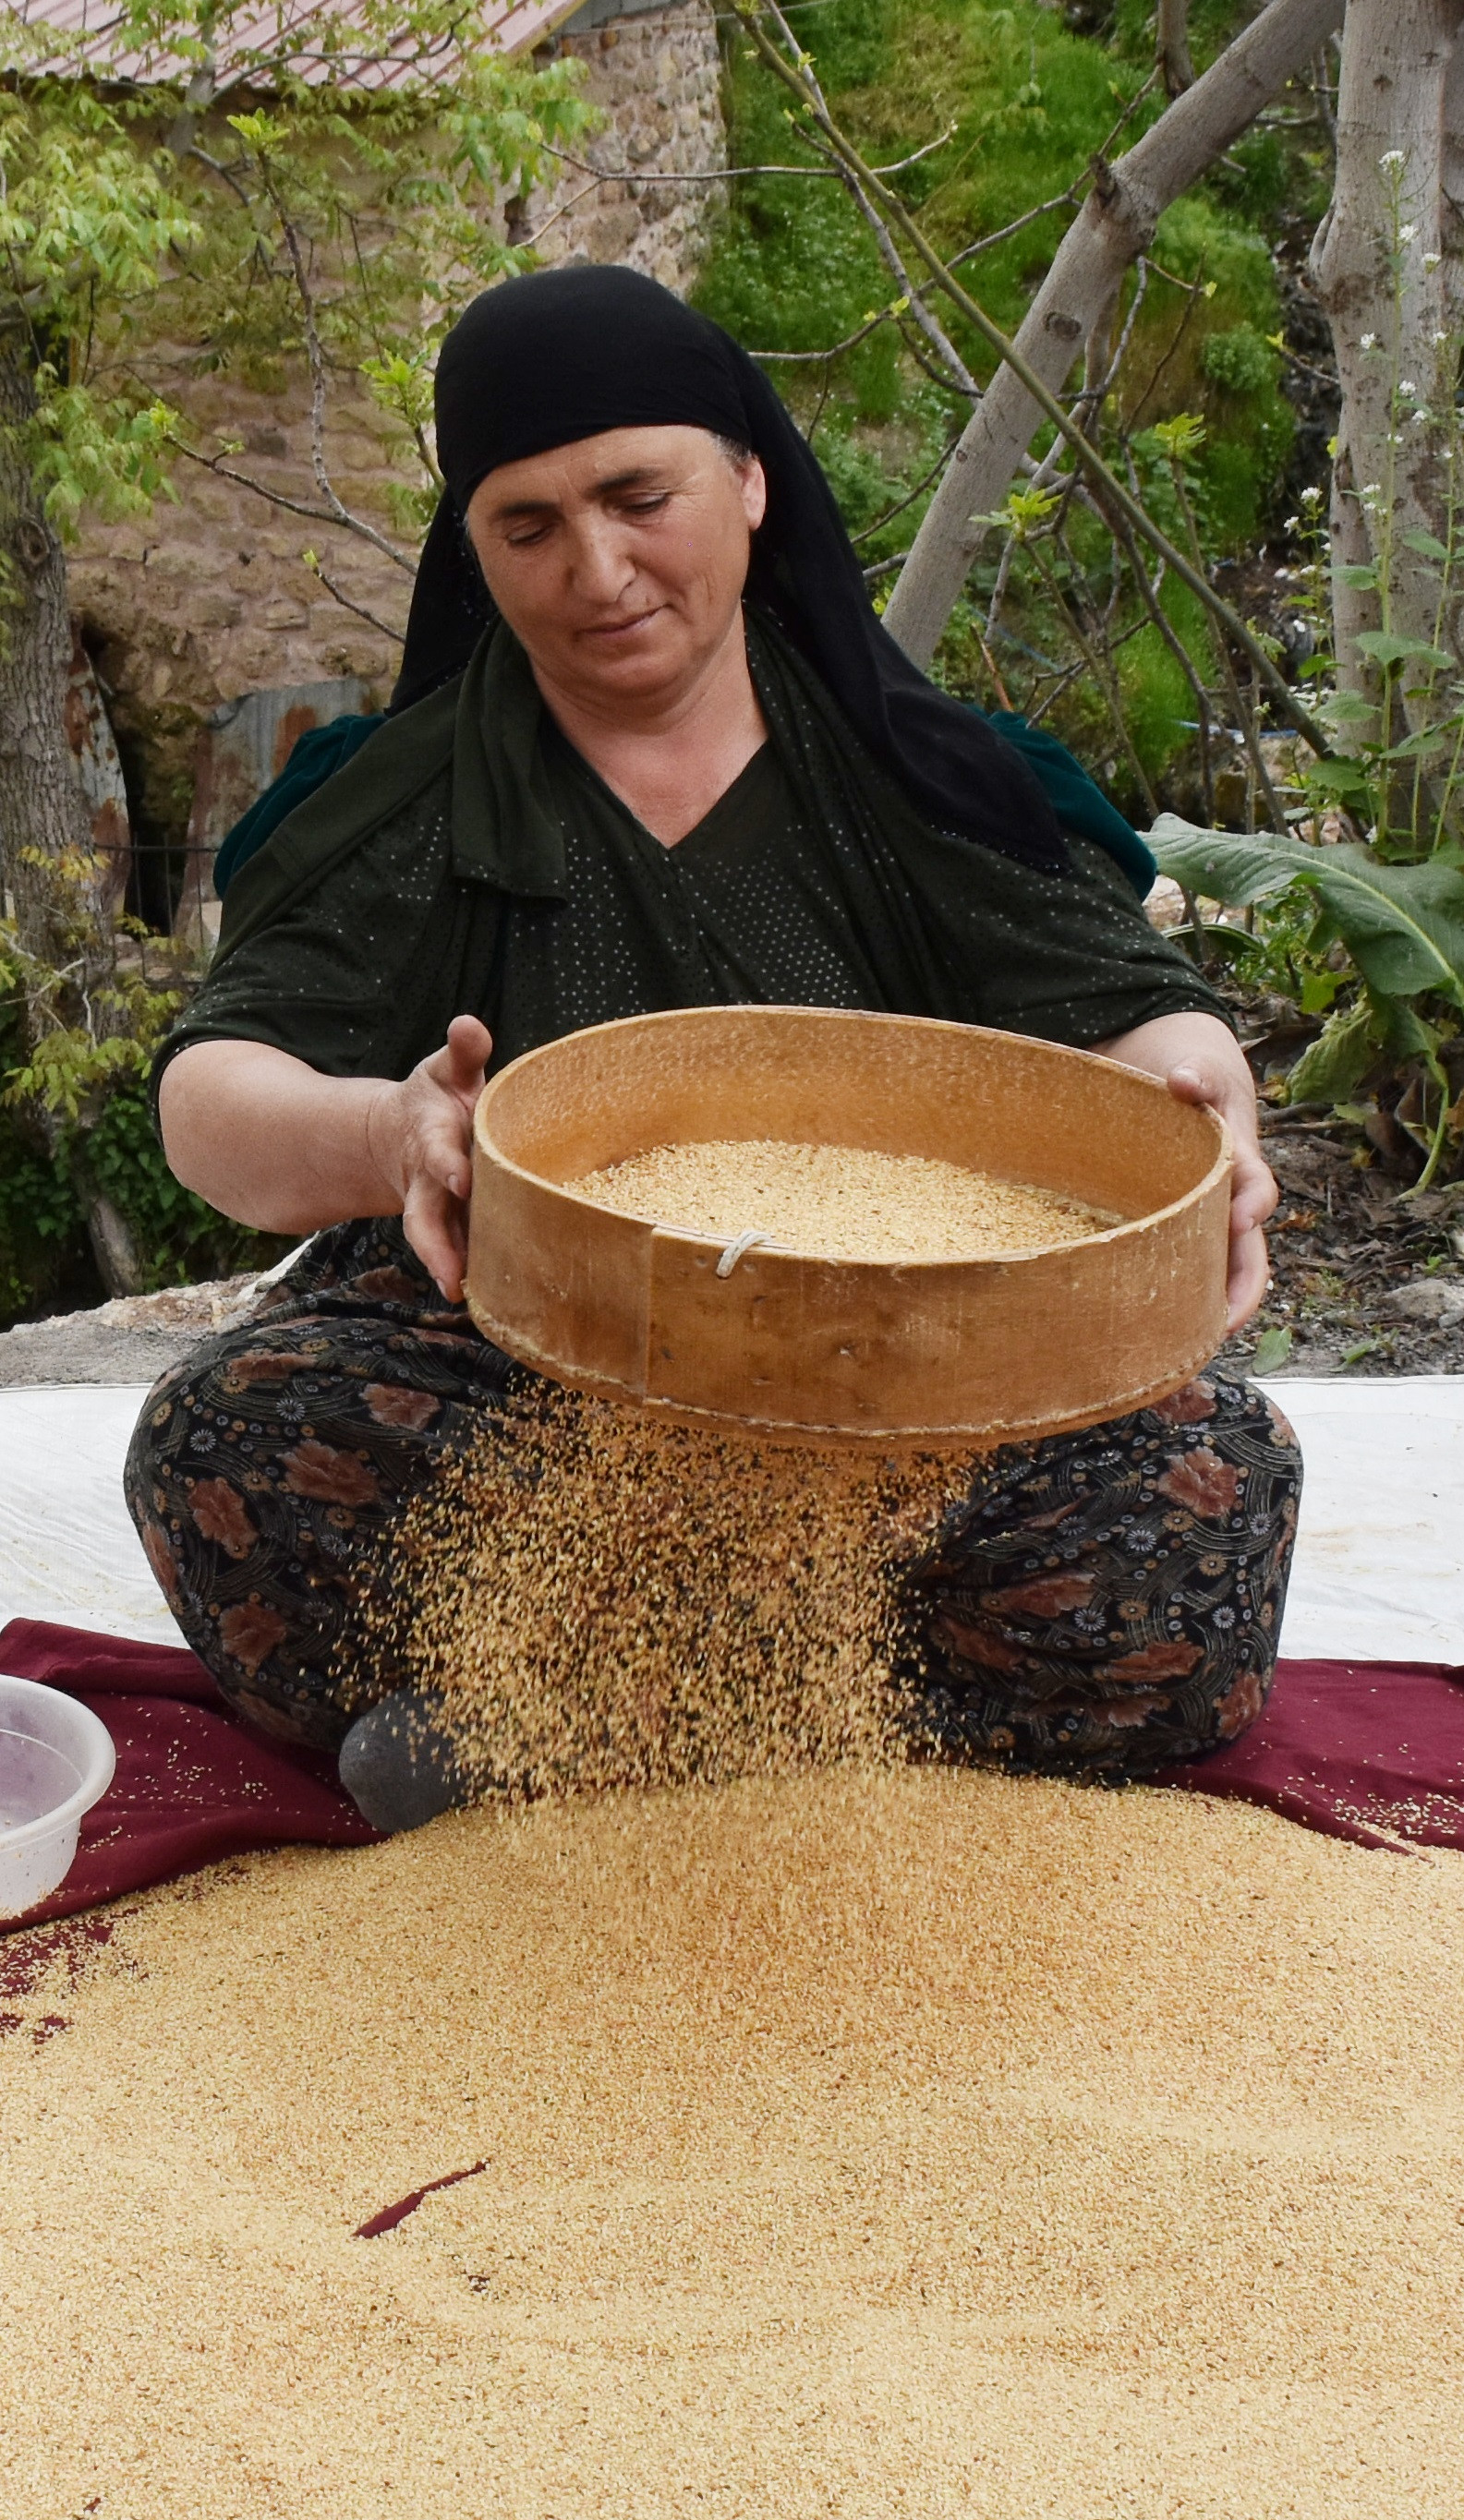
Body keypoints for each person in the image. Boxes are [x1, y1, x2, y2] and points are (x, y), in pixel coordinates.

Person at [127, 266, 1299, 1829]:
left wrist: (1203, 1098)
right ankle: (820, 1687)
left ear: (748, 482)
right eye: (525, 526)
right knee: (228, 1433)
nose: (595, 569)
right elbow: (211, 1096)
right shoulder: (406, 799)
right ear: (470, 550)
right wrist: (384, 1135)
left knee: (1204, 1491)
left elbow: (1130, 1012)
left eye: (637, 496)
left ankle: (601, 1705)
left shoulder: (913, 774)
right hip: (525, 1355)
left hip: (909, 1380)